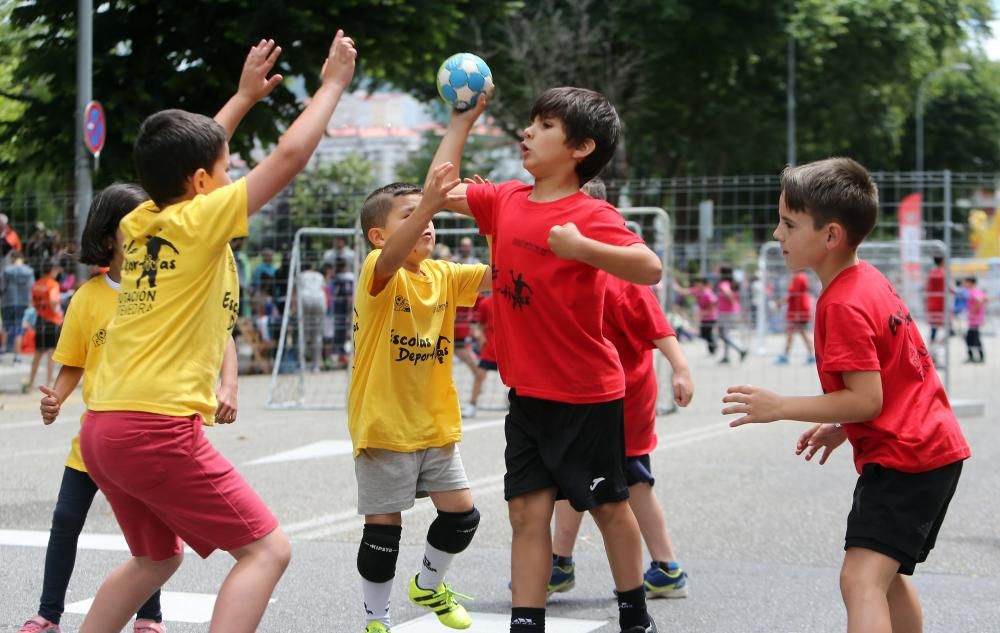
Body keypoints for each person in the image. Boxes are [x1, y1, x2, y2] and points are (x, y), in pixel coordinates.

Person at [77, 34, 356, 633]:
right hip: (156, 429)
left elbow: (187, 163)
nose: (233, 178)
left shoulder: (141, 217)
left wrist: (242, 97)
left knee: (156, 556)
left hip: (104, 428)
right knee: (267, 550)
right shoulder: (202, 218)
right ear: (205, 183)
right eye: (226, 169)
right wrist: (332, 86)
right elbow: (286, 160)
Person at [444, 87, 662, 633]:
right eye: (530, 123)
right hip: (528, 396)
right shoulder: (506, 200)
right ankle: (527, 621)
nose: (527, 133)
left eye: (543, 126)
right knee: (525, 513)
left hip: (586, 395)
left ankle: (634, 613)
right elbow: (439, 189)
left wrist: (584, 248)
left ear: (581, 147)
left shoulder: (590, 214)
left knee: (610, 507)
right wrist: (461, 122)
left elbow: (648, 266)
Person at [723, 158, 970, 633]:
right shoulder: (866, 280)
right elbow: (891, 383)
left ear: (831, 235)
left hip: (909, 458)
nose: (778, 234)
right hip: (926, 450)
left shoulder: (842, 304)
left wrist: (780, 408)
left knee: (860, 581)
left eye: (789, 224)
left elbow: (867, 399)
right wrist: (843, 427)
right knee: (884, 577)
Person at [348, 164, 490, 632]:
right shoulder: (378, 268)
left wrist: (497, 214)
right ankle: (377, 619)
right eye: (411, 214)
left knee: (462, 516)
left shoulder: (444, 275)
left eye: (428, 214)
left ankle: (428, 585)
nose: (427, 221)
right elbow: (389, 260)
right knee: (383, 531)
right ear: (378, 234)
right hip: (384, 423)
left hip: (434, 423)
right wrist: (432, 198)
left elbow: (502, 273)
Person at [548, 178, 694, 602]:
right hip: (583, 394)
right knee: (570, 477)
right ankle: (559, 562)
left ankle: (666, 567)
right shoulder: (571, 269)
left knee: (633, 480)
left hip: (622, 397)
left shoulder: (619, 275)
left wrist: (681, 368)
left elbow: (659, 328)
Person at [26, 258, 63, 392]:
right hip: (52, 321)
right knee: (51, 354)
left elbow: (33, 303)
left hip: (40, 319)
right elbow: (54, 302)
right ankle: (49, 383)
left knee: (37, 354)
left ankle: (31, 382)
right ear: (52, 270)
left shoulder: (37, 284)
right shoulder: (53, 284)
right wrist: (58, 312)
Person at [462, 291, 497, 418]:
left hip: (506, 348)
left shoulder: (508, 301)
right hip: (490, 348)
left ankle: (515, 404)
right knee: (480, 374)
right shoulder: (485, 303)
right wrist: (481, 337)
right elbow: (481, 325)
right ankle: (472, 405)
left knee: (515, 379)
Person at [774, 271, 815, 364]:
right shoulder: (800, 277)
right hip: (798, 309)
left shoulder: (799, 277)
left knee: (797, 332)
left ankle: (786, 355)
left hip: (798, 310)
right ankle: (810, 355)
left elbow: (792, 293)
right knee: (797, 332)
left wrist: (780, 302)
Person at [2, 250, 34, 361]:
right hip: (23, 302)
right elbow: (31, 287)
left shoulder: (6, 270)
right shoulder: (29, 271)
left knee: (5, 326)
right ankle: (17, 356)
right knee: (19, 329)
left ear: (12, 259)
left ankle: (2, 349)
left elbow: (2, 287)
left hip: (8, 302)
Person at [298, 261, 327, 372]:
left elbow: (296, 292)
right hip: (319, 299)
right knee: (317, 334)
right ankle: (316, 365)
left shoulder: (301, 275)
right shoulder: (319, 275)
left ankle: (302, 365)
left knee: (303, 334)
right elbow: (324, 289)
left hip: (305, 298)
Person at [715, 266, 747, 363]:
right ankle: (726, 356)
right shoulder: (732, 283)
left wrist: (731, 301)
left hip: (725, 312)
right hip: (732, 311)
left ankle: (740, 349)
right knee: (726, 334)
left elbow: (727, 292)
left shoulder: (723, 283)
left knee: (722, 335)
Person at [963, 277, 986, 363]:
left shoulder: (973, 291)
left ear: (970, 282)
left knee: (972, 338)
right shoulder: (977, 291)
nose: (964, 284)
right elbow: (985, 299)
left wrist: (973, 311)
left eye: (966, 282)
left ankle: (977, 356)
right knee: (972, 338)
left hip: (975, 319)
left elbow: (979, 301)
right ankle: (975, 356)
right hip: (975, 319)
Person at [925, 256, 946, 343]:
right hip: (941, 302)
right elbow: (949, 288)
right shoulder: (943, 273)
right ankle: (939, 342)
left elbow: (927, 286)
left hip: (932, 302)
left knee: (934, 325)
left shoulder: (931, 272)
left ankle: (933, 344)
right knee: (947, 325)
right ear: (942, 261)